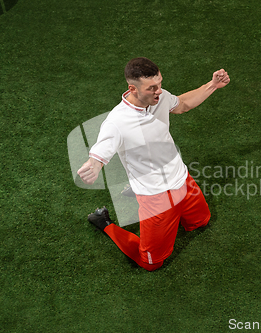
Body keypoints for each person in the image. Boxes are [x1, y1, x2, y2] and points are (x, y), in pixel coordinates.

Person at [77, 57, 230, 271]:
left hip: (182, 179)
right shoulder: (116, 122)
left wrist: (212, 85)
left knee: (201, 221)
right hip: (156, 196)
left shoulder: (160, 97)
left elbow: (183, 104)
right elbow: (101, 151)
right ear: (133, 88)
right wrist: (94, 165)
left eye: (159, 83)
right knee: (151, 263)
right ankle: (104, 223)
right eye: (152, 88)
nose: (159, 91)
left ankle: (134, 189)